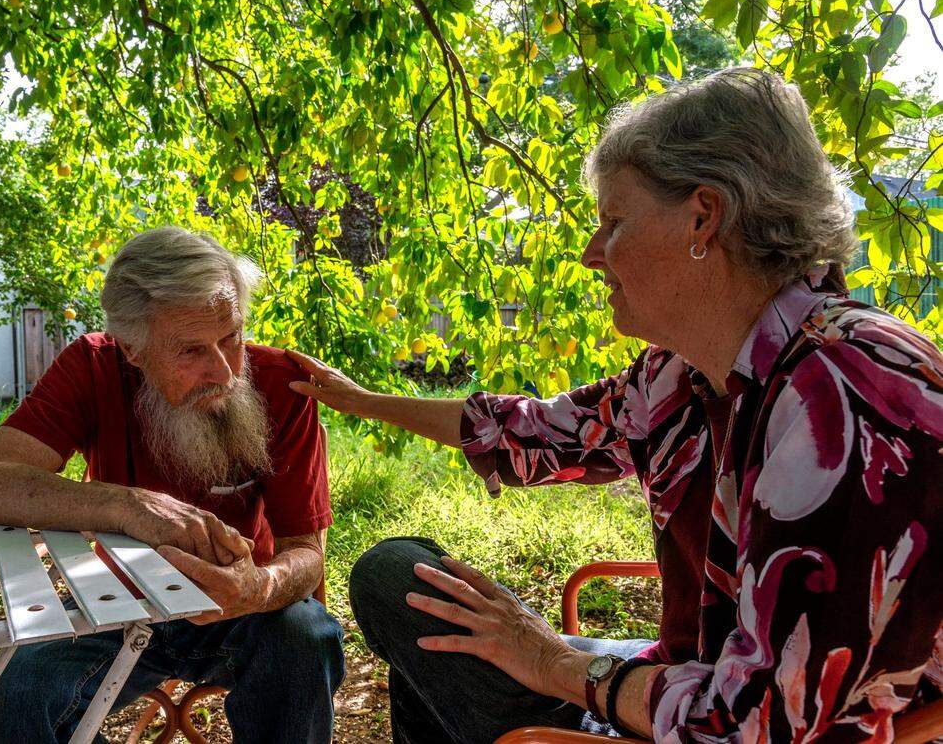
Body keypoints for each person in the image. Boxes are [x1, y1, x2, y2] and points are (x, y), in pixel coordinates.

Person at [287, 67, 943, 742]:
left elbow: (760, 722)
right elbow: (528, 433)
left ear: (703, 217)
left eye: (614, 221)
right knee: (411, 589)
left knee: (434, 624)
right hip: (689, 682)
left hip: (756, 723)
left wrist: (558, 666)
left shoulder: (845, 392)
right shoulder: (679, 375)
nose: (592, 253)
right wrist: (359, 401)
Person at [0, 227, 343, 744]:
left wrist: (260, 587)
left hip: (245, 610)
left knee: (306, 638)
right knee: (17, 696)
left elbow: (306, 553)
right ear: (132, 349)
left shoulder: (280, 382)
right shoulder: (93, 365)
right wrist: (126, 505)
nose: (224, 371)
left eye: (232, 336)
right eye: (190, 350)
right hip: (117, 603)